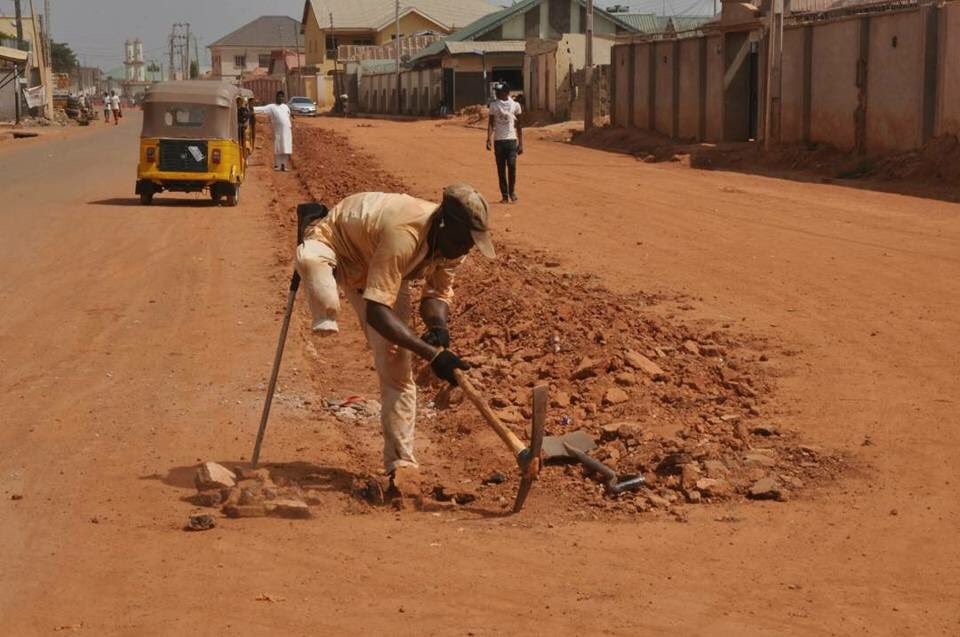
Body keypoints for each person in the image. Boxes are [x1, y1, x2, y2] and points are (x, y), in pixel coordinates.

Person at [295, 184, 495, 495]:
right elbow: (377, 312)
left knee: (397, 368)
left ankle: (401, 463)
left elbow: (436, 295)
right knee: (311, 262)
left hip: (388, 271)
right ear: (444, 223)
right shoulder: (404, 233)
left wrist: (438, 328)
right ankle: (322, 293)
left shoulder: (457, 245)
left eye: (473, 243)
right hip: (343, 249)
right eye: (463, 241)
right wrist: (433, 355)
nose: (467, 249)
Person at [486, 82, 523, 204]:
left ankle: (512, 192)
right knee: (501, 169)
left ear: (506, 92)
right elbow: (491, 123)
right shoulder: (493, 105)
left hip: (512, 140)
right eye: (496, 91)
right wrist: (488, 139)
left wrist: (521, 143)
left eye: (499, 91)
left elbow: (519, 125)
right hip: (499, 142)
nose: (496, 93)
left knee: (512, 166)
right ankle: (505, 195)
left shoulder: (516, 105)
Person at [253, 91, 293, 171]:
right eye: (279, 96)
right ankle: (277, 165)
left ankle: (284, 165)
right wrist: (251, 108)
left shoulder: (286, 107)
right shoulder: (272, 107)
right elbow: (262, 109)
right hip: (278, 131)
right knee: (278, 147)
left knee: (286, 147)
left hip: (287, 131)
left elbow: (288, 116)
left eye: (282, 96)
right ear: (276, 97)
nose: (280, 98)